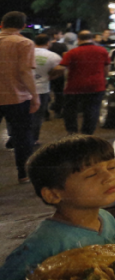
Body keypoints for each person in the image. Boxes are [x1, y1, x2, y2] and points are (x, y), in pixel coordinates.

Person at [0, 136, 115, 280]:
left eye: (111, 167)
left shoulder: (106, 218)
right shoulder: (44, 245)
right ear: (53, 195)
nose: (109, 177)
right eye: (91, 174)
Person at [1, 11, 39, 183]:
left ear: (2, 23)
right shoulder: (24, 43)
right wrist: (35, 96)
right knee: (22, 135)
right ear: (23, 26)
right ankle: (23, 173)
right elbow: (25, 72)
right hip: (17, 97)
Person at [59, 31, 110, 136]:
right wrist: (104, 78)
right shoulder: (102, 51)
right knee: (92, 110)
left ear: (78, 39)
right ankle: (87, 133)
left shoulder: (72, 52)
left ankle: (72, 132)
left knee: (70, 110)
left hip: (74, 86)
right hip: (96, 85)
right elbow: (106, 68)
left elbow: (62, 67)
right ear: (92, 38)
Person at [31, 35, 63, 146]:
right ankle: (34, 139)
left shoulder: (26, 53)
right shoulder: (53, 56)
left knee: (21, 114)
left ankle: (17, 137)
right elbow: (60, 69)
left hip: (23, 89)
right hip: (42, 89)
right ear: (48, 43)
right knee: (37, 116)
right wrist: (51, 77)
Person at [47, 30, 69, 118]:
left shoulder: (44, 46)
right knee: (58, 92)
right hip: (59, 71)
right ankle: (58, 111)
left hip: (44, 71)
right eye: (61, 34)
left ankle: (45, 112)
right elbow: (65, 58)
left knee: (45, 91)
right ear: (55, 35)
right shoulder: (62, 46)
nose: (62, 35)